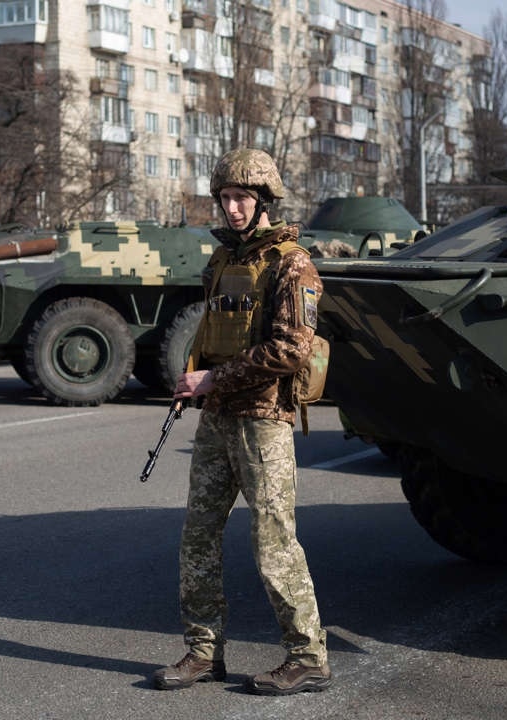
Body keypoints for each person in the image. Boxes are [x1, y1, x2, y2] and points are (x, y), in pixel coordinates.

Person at [153, 148, 331, 696]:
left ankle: (308, 656)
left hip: (263, 421)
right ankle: (204, 652)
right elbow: (210, 334)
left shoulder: (291, 263)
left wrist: (211, 381)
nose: (231, 208)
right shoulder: (223, 262)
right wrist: (194, 380)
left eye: (242, 199)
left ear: (263, 203)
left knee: (274, 541)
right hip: (219, 417)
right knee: (198, 535)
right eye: (226, 198)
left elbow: (292, 349)